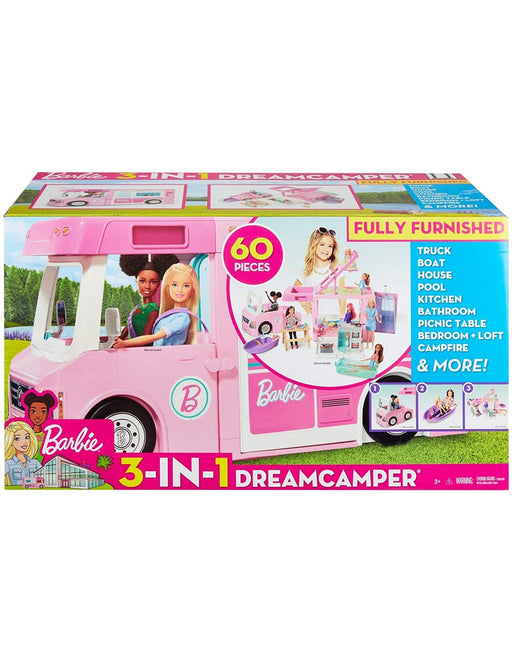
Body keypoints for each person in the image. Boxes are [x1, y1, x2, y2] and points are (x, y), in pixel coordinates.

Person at [113, 263, 200, 348]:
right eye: (174, 285)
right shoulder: (170, 314)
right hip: (158, 353)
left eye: (186, 286)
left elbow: (155, 337)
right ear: (168, 287)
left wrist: (125, 343)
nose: (179, 290)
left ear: (192, 290)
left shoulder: (182, 318)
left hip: (166, 355)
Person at [118, 254, 179, 341]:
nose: (147, 286)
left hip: (139, 347)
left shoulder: (153, 311)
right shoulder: (137, 309)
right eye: (142, 281)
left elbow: (145, 339)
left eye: (153, 282)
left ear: (158, 284)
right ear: (136, 281)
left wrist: (125, 344)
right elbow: (124, 333)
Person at [294, 227, 343, 318]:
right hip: (314, 319)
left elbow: (343, 298)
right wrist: (304, 304)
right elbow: (295, 289)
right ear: (314, 245)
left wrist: (342, 317)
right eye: (322, 244)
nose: (326, 249)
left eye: (330, 246)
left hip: (334, 319)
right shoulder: (307, 270)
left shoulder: (337, 270)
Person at [5, 421, 42, 487]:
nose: (24, 442)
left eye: (27, 437)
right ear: (11, 441)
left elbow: (44, 477)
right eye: (17, 438)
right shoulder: (7, 464)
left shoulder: (35, 463)